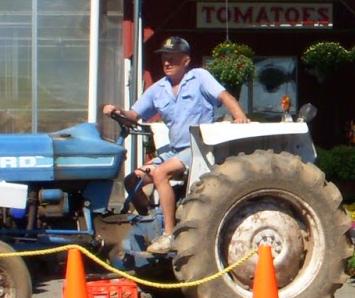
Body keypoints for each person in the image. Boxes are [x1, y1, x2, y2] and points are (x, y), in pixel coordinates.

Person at [102, 36, 249, 254]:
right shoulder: (157, 89)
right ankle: (149, 222)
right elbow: (133, 114)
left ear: (186, 60)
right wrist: (117, 111)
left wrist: (240, 117)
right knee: (132, 180)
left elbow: (224, 96)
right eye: (164, 59)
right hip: (175, 149)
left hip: (199, 146)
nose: (167, 63)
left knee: (161, 172)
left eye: (172, 58)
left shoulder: (199, 77)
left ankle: (169, 235)